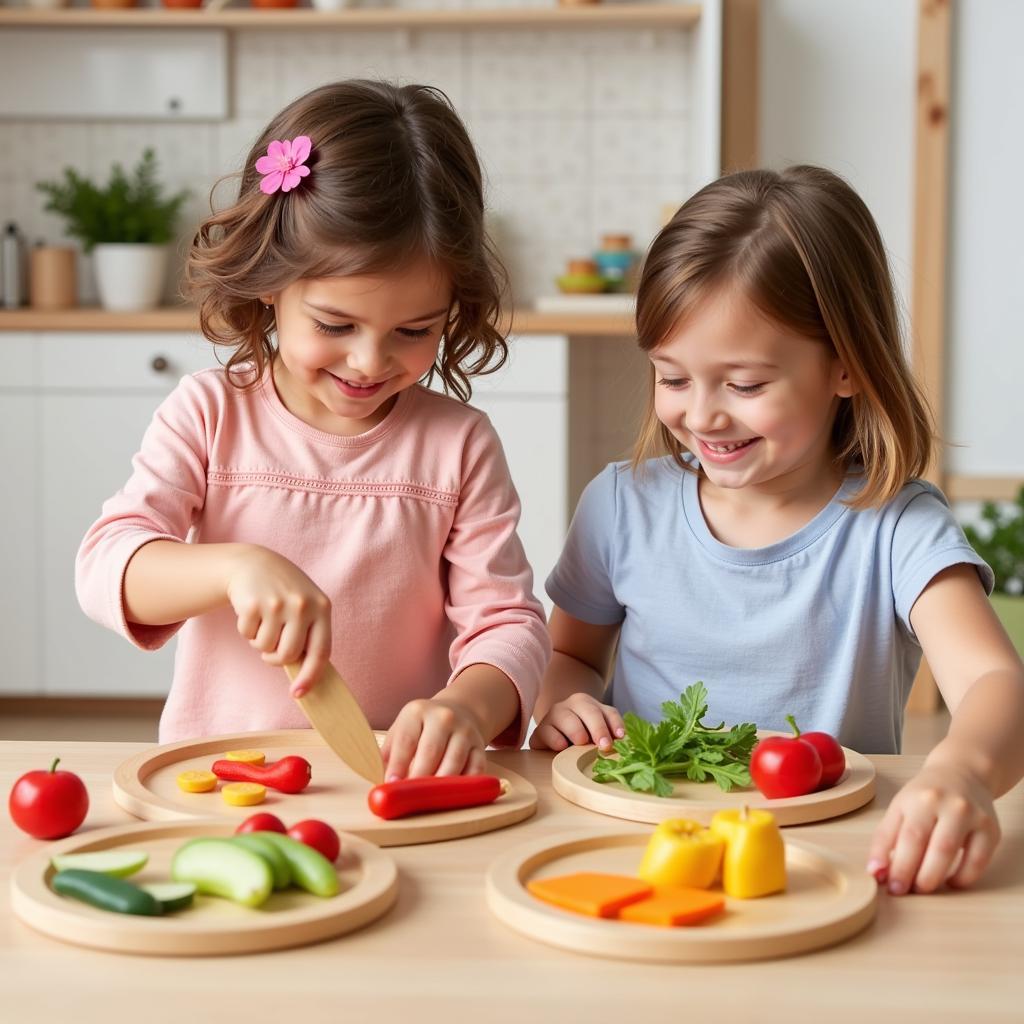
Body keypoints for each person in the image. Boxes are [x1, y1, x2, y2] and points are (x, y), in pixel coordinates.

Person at [530, 165, 1024, 896]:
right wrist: (558, 701)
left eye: (745, 385)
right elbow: (569, 656)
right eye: (672, 378)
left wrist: (960, 771)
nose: (701, 416)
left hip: (827, 863)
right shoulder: (620, 505)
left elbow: (993, 681)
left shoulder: (895, 528)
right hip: (638, 846)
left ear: (846, 368)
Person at [76, 80, 550, 780]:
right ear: (271, 281)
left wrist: (467, 709)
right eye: (335, 324)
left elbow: (508, 625)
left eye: (415, 330)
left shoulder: (458, 446)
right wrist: (234, 566)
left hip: (390, 781)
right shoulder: (209, 415)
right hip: (225, 778)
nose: (369, 361)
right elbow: (105, 567)